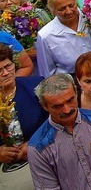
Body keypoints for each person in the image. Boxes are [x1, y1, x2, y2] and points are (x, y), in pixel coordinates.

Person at [27, 73, 91, 190]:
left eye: (70, 100)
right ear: (44, 106)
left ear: (76, 91)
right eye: (57, 106)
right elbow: (47, 188)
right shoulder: (38, 147)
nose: (67, 109)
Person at [0, 43, 46, 188]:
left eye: (8, 66)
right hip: (7, 170)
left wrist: (35, 141)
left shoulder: (36, 86)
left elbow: (58, 120)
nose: (6, 73)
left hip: (44, 154)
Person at [36, 0, 91, 77]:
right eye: (62, 9)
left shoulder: (90, 17)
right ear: (53, 11)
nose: (68, 11)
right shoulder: (46, 35)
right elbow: (47, 73)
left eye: (71, 5)